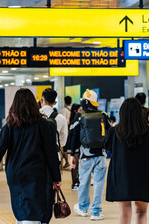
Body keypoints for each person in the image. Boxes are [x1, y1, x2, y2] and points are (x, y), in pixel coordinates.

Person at [0, 88, 61, 224]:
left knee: (21, 205)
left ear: (15, 105)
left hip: (15, 173)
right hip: (36, 173)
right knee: (35, 206)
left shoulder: (10, 126)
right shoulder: (44, 125)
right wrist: (56, 177)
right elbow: (51, 153)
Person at [105, 98, 149, 224]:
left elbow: (107, 147)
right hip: (143, 177)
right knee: (141, 212)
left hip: (121, 176)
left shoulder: (115, 132)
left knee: (125, 212)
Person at [70, 89, 111, 221]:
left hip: (86, 155)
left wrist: (72, 154)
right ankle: (96, 212)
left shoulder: (79, 116)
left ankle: (82, 208)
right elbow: (110, 132)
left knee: (84, 182)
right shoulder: (103, 115)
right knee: (99, 183)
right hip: (101, 155)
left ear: (86, 101)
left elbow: (74, 136)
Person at [40, 88, 68, 165]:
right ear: (55, 103)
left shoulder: (34, 116)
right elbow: (63, 141)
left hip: (36, 156)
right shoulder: (61, 118)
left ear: (41, 100)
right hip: (53, 155)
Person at [65, 104, 82, 190]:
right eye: (80, 110)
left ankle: (76, 182)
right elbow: (74, 136)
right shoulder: (75, 120)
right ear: (75, 111)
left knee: (76, 165)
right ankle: (75, 183)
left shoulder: (75, 120)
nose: (81, 112)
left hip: (74, 146)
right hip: (73, 146)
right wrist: (71, 152)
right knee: (75, 165)